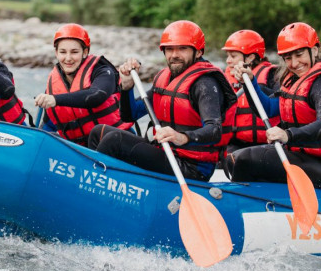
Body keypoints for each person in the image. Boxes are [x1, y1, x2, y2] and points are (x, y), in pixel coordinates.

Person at [88, 20, 237, 181]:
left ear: (199, 52)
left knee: (114, 141)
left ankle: (96, 185)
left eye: (182, 49)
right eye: (170, 49)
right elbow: (129, 115)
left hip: (192, 167)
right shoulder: (165, 78)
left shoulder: (205, 84)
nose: (174, 55)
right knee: (99, 132)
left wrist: (182, 137)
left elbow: (214, 130)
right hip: (166, 153)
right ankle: (108, 183)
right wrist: (127, 87)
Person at [223, 22, 321, 190]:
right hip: (305, 157)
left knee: (243, 160)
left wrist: (287, 135)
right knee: (233, 160)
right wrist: (250, 82)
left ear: (315, 50)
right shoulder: (294, 79)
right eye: (288, 58)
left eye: (299, 54)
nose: (295, 63)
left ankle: (248, 204)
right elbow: (269, 108)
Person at [35, 23, 133, 146]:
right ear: (56, 53)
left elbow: (97, 96)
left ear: (85, 52)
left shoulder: (102, 71)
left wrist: (55, 99)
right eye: (63, 52)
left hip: (115, 144)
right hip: (81, 151)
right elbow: (48, 125)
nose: (68, 58)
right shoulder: (53, 83)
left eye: (74, 52)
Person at [221, 29, 280, 150]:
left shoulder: (272, 76)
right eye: (227, 56)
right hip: (234, 145)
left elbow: (279, 105)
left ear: (250, 58)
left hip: (266, 145)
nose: (228, 61)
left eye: (233, 56)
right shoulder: (224, 78)